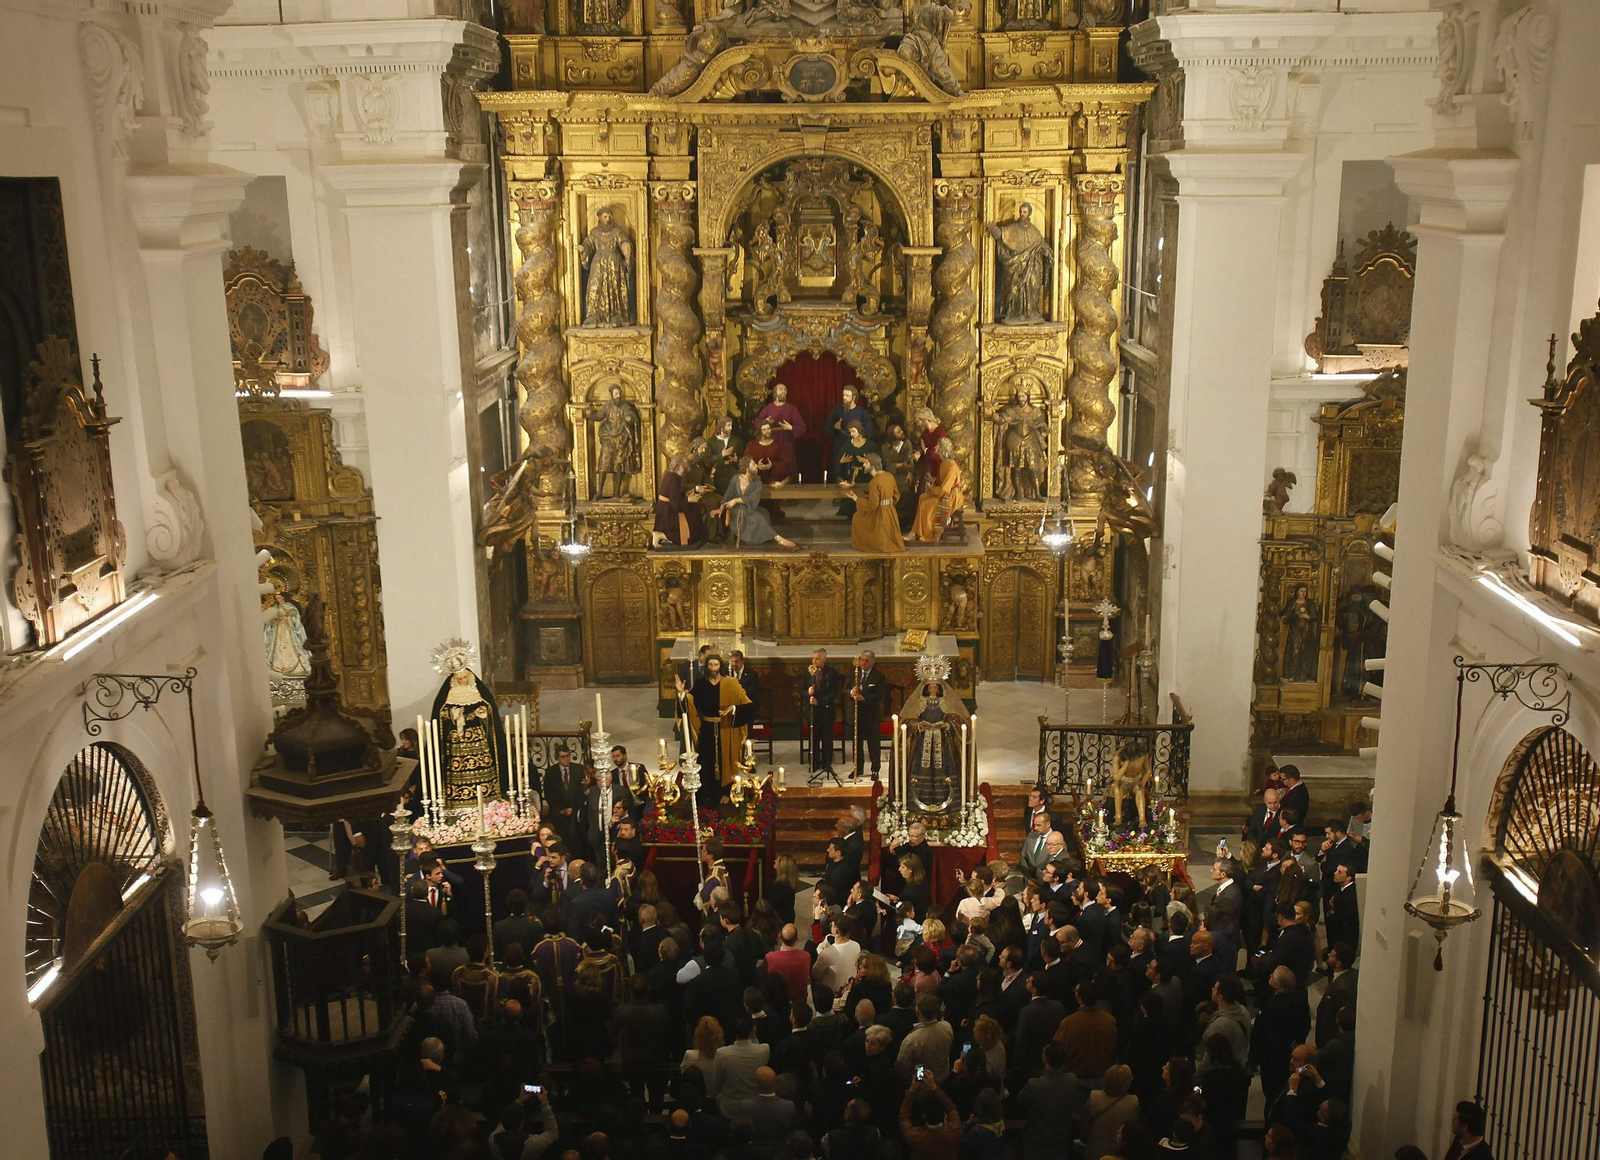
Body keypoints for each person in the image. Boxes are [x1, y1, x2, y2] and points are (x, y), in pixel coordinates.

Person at [676, 653, 752, 808]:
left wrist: (733, 708)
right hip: (707, 729)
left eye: (716, 665)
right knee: (706, 760)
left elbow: (748, 704)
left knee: (726, 760)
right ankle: (706, 793)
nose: (713, 668)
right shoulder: (700, 684)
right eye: (710, 665)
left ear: (721, 666)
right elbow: (688, 705)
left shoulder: (730, 683)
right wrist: (681, 694)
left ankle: (725, 792)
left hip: (725, 729)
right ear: (706, 667)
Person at [1019, 1042, 1084, 1160]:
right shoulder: (1071, 1081)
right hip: (1061, 1141)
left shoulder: (1034, 1084)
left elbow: (1021, 1103)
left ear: (1045, 1058)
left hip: (1036, 1142)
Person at [841, 453, 904, 553]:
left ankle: (869, 544)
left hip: (880, 514)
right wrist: (888, 505)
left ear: (873, 465)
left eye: (866, 463)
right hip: (891, 512)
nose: (864, 466)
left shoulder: (874, 482)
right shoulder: (889, 476)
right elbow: (897, 496)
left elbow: (873, 505)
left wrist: (857, 499)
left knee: (857, 517)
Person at [911, 435, 964, 542]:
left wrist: (932, 489)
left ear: (942, 449)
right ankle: (917, 532)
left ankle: (927, 534)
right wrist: (933, 479)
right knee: (922, 497)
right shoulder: (944, 463)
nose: (935, 448)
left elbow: (945, 489)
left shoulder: (951, 466)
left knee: (927, 503)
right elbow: (942, 481)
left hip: (952, 497)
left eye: (937, 446)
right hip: (946, 493)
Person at [1083, 1064, 1140, 1160]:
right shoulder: (1134, 1102)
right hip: (1119, 1154)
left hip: (1094, 1151)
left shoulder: (1094, 1097)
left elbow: (1084, 1129)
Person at [899, 1073, 961, 1158]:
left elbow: (903, 1117)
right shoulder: (954, 1132)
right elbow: (952, 1109)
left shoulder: (916, 1137)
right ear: (944, 1115)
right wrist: (934, 1087)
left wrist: (912, 1090)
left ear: (923, 1116)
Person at [848, 650, 888, 780]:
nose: (863, 663)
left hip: (871, 715)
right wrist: (851, 692)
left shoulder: (879, 677)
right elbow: (844, 689)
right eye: (862, 660)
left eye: (866, 661)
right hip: (857, 714)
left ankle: (875, 769)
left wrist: (864, 698)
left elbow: (879, 695)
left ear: (872, 662)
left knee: (873, 744)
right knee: (857, 743)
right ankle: (858, 768)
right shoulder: (854, 674)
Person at [754, 382, 806, 477]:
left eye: (785, 390)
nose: (783, 391)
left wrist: (790, 427)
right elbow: (757, 422)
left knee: (786, 466)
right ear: (775, 393)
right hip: (771, 441)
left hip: (786, 442)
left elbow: (801, 427)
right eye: (781, 389)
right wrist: (765, 422)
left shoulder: (791, 408)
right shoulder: (769, 408)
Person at [654, 452, 705, 547]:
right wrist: (689, 500)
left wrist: (686, 494)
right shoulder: (673, 478)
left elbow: (674, 496)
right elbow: (675, 505)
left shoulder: (672, 476)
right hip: (668, 513)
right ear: (678, 466)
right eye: (684, 468)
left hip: (667, 509)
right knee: (693, 521)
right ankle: (660, 535)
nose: (684, 471)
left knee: (695, 511)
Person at [804, 648, 840, 774]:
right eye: (813, 658)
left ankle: (826, 764)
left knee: (826, 739)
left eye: (817, 658)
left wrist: (820, 701)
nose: (814, 661)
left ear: (824, 659)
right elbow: (800, 690)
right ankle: (813, 763)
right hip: (812, 712)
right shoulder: (808, 672)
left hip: (826, 711)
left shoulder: (832, 672)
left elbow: (834, 693)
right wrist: (808, 693)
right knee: (813, 739)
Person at [826, 385, 874, 480]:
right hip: (841, 446)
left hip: (857, 447)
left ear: (854, 397)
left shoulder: (862, 412)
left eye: (847, 396)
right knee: (840, 472)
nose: (844, 398)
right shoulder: (838, 410)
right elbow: (827, 427)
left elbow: (869, 431)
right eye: (843, 395)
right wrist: (835, 427)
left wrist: (858, 435)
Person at [542, 745, 585, 844]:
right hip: (559, 813)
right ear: (557, 758)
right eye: (562, 756)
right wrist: (561, 810)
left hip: (575, 811)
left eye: (567, 755)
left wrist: (574, 808)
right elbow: (549, 793)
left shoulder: (578, 769)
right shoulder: (551, 772)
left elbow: (581, 791)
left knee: (576, 840)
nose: (566, 759)